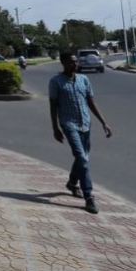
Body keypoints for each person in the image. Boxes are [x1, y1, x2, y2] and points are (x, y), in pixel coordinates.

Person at [49, 50, 112, 214]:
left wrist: (103, 122)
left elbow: (91, 102)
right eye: (71, 62)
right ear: (62, 62)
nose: (75, 64)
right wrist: (55, 128)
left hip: (85, 123)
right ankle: (89, 197)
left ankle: (72, 183)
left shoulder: (84, 79)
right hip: (68, 124)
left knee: (83, 157)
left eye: (76, 62)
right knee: (82, 158)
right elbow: (53, 106)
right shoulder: (56, 82)